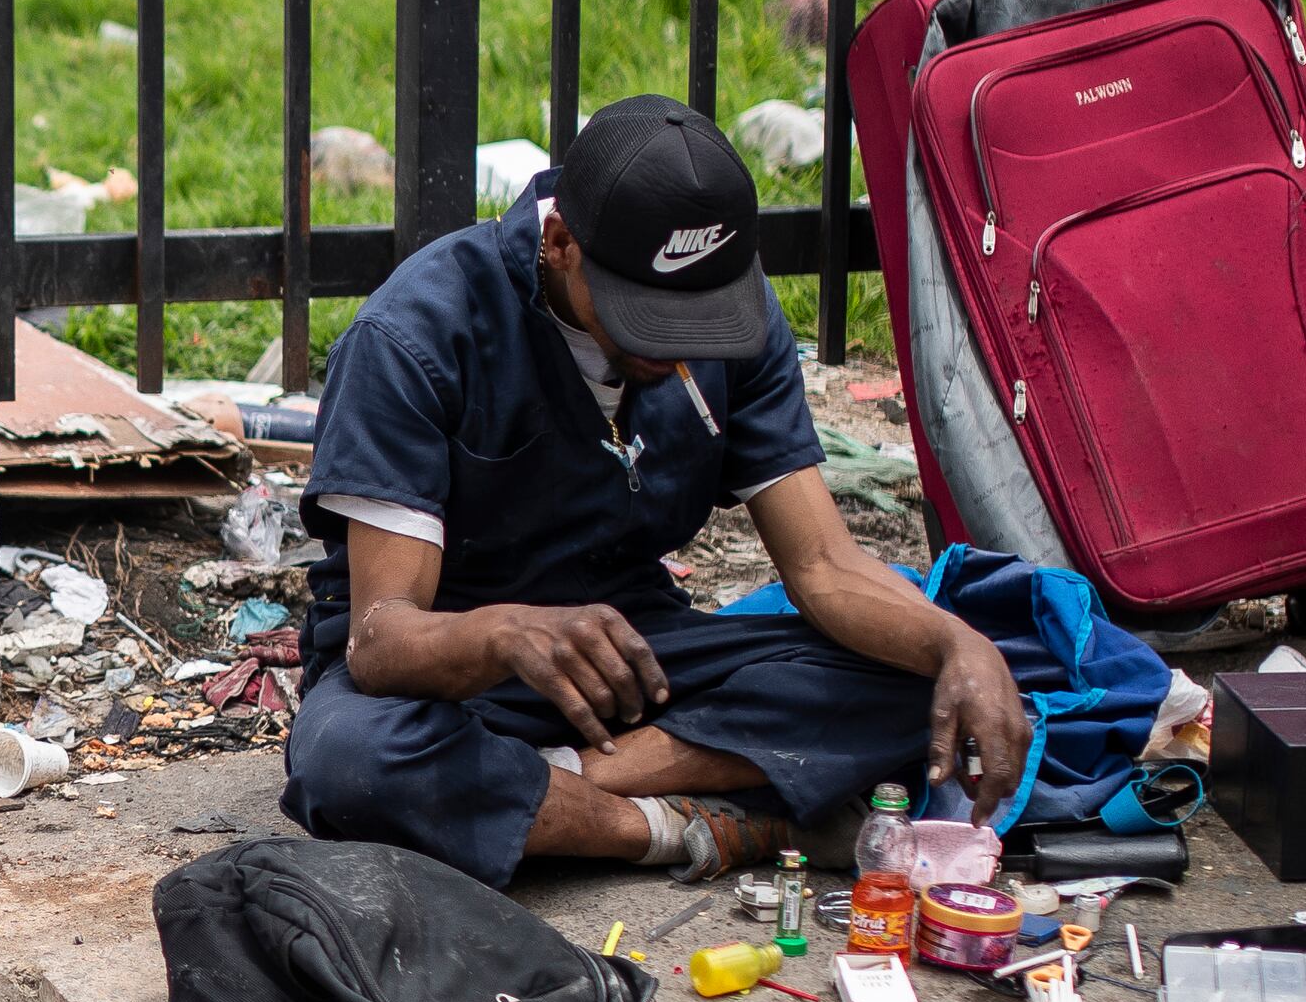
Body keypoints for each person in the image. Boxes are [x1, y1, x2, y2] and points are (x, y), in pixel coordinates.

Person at [283, 93, 1032, 887]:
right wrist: (506, 633)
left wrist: (957, 644)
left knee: (935, 674)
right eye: (650, 320)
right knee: (349, 762)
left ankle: (538, 784)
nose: (680, 352)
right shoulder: (416, 333)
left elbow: (822, 565)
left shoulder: (729, 311)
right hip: (450, 670)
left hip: (632, 655)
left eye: (699, 322)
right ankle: (673, 828)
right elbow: (381, 639)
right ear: (561, 242)